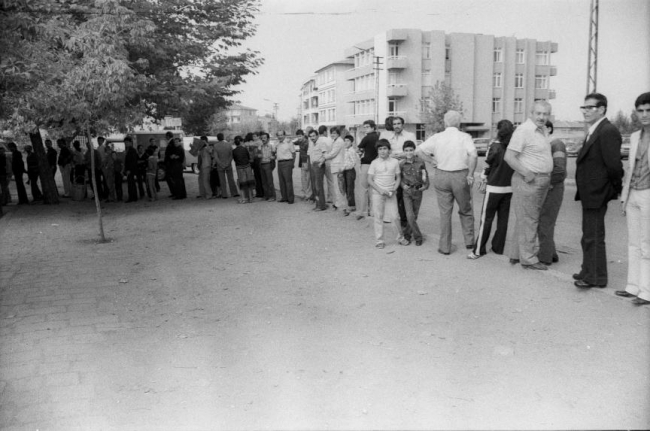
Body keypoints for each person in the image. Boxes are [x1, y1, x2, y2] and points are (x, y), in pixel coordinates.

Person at [574, 93, 624, 288]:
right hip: (590, 192)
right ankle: (587, 270)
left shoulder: (607, 130)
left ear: (602, 109)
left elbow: (614, 166)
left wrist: (612, 189)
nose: (585, 111)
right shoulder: (595, 129)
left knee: (593, 236)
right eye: (584, 108)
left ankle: (595, 278)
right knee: (588, 234)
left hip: (597, 192)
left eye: (590, 108)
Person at [416, 110, 477, 255]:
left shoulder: (437, 137)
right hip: (460, 175)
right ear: (459, 123)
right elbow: (473, 156)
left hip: (442, 175)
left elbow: (418, 151)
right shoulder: (465, 137)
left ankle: (445, 246)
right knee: (466, 210)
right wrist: (471, 174)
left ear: (445, 122)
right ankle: (469, 242)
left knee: (445, 213)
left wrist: (431, 160)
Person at [503, 101, 553, 270]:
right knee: (530, 220)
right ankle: (529, 259)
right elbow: (509, 157)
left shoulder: (542, 131)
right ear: (531, 113)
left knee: (525, 219)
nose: (542, 117)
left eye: (545, 114)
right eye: (538, 113)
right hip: (529, 180)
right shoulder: (524, 130)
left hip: (540, 181)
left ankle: (517, 254)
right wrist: (527, 173)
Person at [618, 91, 650, 305]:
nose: (644, 114)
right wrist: (624, 197)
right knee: (633, 243)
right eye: (640, 111)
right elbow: (630, 169)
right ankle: (633, 286)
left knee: (647, 243)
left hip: (648, 194)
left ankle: (647, 291)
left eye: (648, 110)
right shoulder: (636, 135)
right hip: (633, 194)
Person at [468, 120, 515, 259]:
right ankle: (498, 248)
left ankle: (478, 250)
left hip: (494, 187)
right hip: (508, 188)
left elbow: (487, 165)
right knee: (503, 220)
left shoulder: (494, 146)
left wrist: (483, 177)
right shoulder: (512, 147)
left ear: (499, 130)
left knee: (486, 219)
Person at [367, 139, 408, 249]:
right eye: (380, 149)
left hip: (391, 193)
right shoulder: (374, 163)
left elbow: (398, 177)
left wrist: (394, 189)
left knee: (395, 216)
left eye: (385, 149)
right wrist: (380, 190)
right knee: (378, 216)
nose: (382, 151)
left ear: (389, 150)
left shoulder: (394, 162)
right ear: (377, 151)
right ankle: (379, 240)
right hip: (377, 193)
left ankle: (400, 238)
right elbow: (370, 180)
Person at [537, 120, 567, 266]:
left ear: (548, 129)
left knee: (545, 222)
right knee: (545, 222)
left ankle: (545, 257)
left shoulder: (556, 144)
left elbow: (560, 170)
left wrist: (548, 185)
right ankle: (550, 253)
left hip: (553, 188)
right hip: (549, 187)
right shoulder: (548, 144)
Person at [399, 140, 429, 246]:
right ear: (403, 151)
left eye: (411, 150)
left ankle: (407, 234)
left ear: (414, 150)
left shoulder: (420, 162)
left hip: (418, 191)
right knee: (409, 215)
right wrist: (403, 185)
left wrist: (425, 186)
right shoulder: (402, 164)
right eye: (406, 150)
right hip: (407, 192)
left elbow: (425, 174)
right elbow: (399, 178)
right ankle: (418, 236)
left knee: (414, 215)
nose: (409, 153)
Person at [356, 120, 380, 220]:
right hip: (376, 164)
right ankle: (373, 212)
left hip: (366, 164)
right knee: (374, 189)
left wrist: (361, 154)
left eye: (367, 127)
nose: (365, 128)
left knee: (364, 188)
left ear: (373, 127)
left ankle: (363, 211)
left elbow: (358, 149)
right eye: (364, 127)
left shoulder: (366, 138)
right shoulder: (378, 137)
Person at [323, 127, 346, 211]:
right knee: (337, 185)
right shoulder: (336, 141)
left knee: (338, 186)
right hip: (336, 165)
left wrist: (325, 155)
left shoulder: (339, 142)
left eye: (334, 133)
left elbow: (333, 153)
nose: (333, 135)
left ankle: (340, 203)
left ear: (338, 134)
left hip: (338, 165)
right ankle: (338, 202)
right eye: (331, 133)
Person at [213, 133, 239, 199]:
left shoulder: (215, 146)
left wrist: (220, 164)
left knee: (222, 180)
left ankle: (224, 194)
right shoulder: (228, 145)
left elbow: (216, 157)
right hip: (228, 164)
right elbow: (231, 155)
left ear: (217, 138)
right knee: (231, 179)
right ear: (223, 137)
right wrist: (228, 163)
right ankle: (234, 193)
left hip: (220, 165)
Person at [308, 129, 328, 211]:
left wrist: (321, 163)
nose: (312, 137)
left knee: (318, 186)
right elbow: (310, 154)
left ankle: (321, 205)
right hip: (313, 165)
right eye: (311, 136)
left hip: (319, 165)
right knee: (314, 186)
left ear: (317, 136)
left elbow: (325, 155)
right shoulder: (311, 144)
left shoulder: (321, 143)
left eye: (314, 136)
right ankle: (318, 204)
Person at [340, 135, 358, 216]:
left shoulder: (352, 151)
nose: (346, 142)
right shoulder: (345, 150)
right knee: (346, 189)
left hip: (350, 171)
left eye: (348, 141)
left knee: (350, 189)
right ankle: (349, 204)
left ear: (351, 142)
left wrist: (344, 167)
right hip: (345, 171)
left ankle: (351, 206)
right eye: (345, 140)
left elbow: (353, 163)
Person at [275, 130, 295, 204]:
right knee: (281, 181)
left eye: (281, 135)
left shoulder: (289, 142)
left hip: (287, 162)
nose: (280, 137)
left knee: (288, 181)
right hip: (279, 163)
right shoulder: (277, 143)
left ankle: (290, 199)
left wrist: (292, 164)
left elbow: (293, 153)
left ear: (284, 135)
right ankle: (284, 197)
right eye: (278, 135)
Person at [233, 135, 255, 203]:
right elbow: (248, 157)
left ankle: (243, 198)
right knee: (249, 182)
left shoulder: (234, 151)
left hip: (239, 168)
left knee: (242, 183)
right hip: (247, 167)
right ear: (242, 142)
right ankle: (251, 198)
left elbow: (235, 159)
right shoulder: (245, 149)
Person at [294, 129, 313, 201]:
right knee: (303, 178)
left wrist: (307, 162)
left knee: (307, 179)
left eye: (300, 136)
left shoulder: (306, 142)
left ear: (303, 135)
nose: (299, 138)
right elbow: (295, 142)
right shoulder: (300, 141)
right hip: (302, 161)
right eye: (298, 136)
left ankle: (308, 194)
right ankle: (306, 193)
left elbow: (309, 153)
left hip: (306, 161)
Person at [258, 132, 276, 201]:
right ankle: (266, 195)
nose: (263, 139)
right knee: (264, 182)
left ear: (268, 139)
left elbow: (274, 155)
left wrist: (273, 158)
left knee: (269, 181)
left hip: (268, 164)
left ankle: (272, 196)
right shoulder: (260, 146)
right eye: (262, 138)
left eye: (264, 138)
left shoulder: (271, 146)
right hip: (262, 164)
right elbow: (258, 155)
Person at [123, 136, 139, 202]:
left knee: (131, 183)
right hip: (128, 169)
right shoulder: (128, 150)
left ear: (130, 142)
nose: (126, 144)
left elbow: (133, 161)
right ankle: (133, 196)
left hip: (131, 170)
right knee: (130, 183)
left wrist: (129, 169)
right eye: (125, 142)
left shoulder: (132, 150)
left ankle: (133, 197)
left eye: (127, 142)